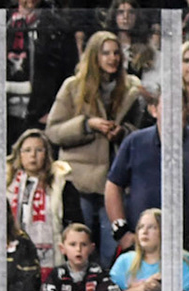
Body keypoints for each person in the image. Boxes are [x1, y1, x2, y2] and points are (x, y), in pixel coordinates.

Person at [104, 90, 189, 272]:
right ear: (153, 110)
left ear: (187, 110)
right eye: (167, 109)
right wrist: (123, 233)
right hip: (142, 246)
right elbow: (113, 185)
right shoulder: (134, 142)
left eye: (178, 108)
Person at [45, 31, 145, 259]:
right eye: (106, 53)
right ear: (94, 56)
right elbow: (53, 131)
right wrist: (87, 125)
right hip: (80, 182)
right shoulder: (72, 87)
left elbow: (142, 131)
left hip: (116, 183)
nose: (113, 58)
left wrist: (123, 133)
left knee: (113, 253)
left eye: (116, 53)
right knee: (80, 250)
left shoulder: (132, 88)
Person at [6, 128, 77, 271]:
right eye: (27, 150)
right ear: (19, 154)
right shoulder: (7, 183)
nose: (33, 155)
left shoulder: (62, 184)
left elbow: (73, 222)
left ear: (47, 154)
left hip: (52, 257)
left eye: (39, 150)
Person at [35, 221, 121, 291]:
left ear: (91, 248)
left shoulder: (98, 273)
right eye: (73, 244)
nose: (78, 249)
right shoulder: (56, 276)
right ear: (62, 248)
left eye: (84, 244)